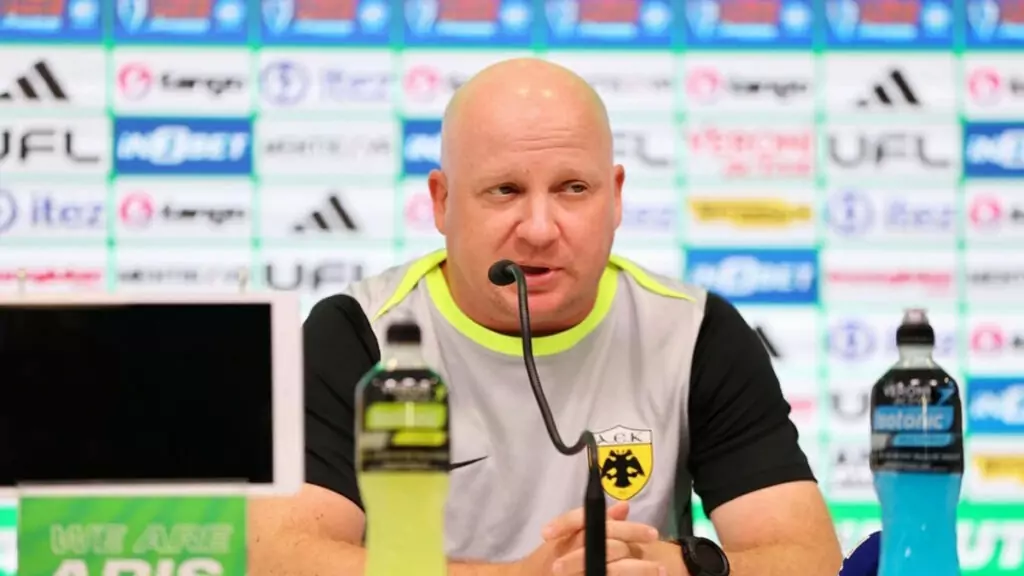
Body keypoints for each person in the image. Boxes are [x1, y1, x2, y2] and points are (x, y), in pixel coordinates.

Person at [249, 58, 844, 576]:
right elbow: (281, 558)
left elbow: (809, 557)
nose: (539, 230)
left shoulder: (694, 333)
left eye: (573, 188)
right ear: (442, 202)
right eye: (505, 190)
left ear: (616, 197)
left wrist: (679, 566)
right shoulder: (359, 334)